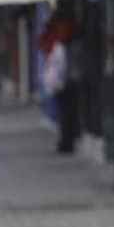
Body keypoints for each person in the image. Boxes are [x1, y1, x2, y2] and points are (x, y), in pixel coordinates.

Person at [39, 13, 80, 154]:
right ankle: (66, 141)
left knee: (65, 113)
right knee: (65, 113)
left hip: (63, 82)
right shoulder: (61, 43)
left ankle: (66, 141)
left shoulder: (60, 42)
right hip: (64, 82)